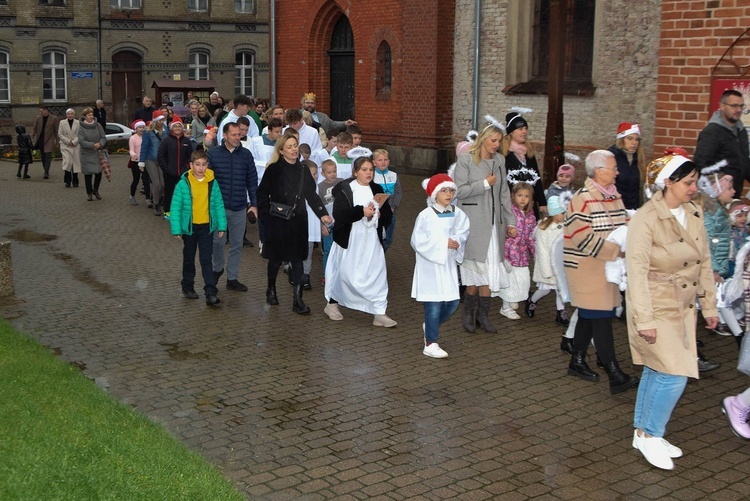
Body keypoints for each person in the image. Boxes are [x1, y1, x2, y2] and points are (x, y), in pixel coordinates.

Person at [627, 152, 718, 470]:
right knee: (675, 375)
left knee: (657, 369)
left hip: (684, 307)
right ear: (669, 182)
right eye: (688, 182)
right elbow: (635, 272)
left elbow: (703, 260)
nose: (694, 187)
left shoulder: (694, 211)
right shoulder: (646, 218)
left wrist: (709, 304)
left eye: (695, 181)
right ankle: (651, 434)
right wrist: (645, 319)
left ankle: (643, 434)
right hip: (656, 302)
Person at [563, 149, 639, 395]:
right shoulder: (581, 198)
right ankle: (614, 372)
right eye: (613, 168)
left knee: (589, 315)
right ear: (598, 171)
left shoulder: (614, 195)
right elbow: (581, 237)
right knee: (601, 317)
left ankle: (576, 360)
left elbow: (626, 223)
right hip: (585, 268)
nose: (617, 172)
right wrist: (617, 251)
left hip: (607, 268)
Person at [257, 134, 332, 313]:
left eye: (295, 145)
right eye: (289, 146)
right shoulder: (274, 170)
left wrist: (323, 214)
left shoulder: (303, 170)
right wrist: (266, 215)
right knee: (275, 259)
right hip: (277, 221)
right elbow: (261, 194)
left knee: (298, 259)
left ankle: (297, 300)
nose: (293, 149)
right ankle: (271, 289)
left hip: (298, 221)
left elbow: (312, 196)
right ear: (281, 150)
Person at [454, 120, 516, 334]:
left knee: (490, 273)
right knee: (474, 274)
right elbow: (459, 191)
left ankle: (483, 317)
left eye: (499, 141)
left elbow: (504, 193)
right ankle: (468, 314)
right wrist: (483, 184)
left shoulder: (499, 160)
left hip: (494, 227)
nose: (496, 145)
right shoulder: (466, 159)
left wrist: (511, 221)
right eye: (493, 140)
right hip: (473, 225)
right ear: (483, 139)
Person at [324, 156, 395, 326]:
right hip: (351, 239)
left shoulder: (377, 189)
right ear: (355, 172)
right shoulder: (345, 189)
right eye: (364, 170)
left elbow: (388, 216)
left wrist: (379, 214)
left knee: (377, 275)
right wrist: (361, 212)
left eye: (371, 169)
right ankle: (332, 303)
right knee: (346, 274)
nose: (368, 173)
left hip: (371, 240)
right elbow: (340, 215)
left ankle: (379, 312)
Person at [411, 174, 471, 358]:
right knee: (433, 304)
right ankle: (430, 343)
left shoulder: (457, 213)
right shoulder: (425, 215)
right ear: (435, 194)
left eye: (451, 190)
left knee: (452, 302)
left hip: (448, 265)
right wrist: (443, 242)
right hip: (430, 265)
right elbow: (417, 240)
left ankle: (431, 325)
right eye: (443, 190)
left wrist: (456, 241)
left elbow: (463, 231)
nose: (448, 194)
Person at [170, 150, 227, 306]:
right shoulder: (183, 183)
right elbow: (176, 207)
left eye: (203, 164)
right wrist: (176, 228)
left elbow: (218, 205)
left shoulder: (212, 183)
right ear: (191, 165)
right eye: (197, 165)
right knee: (189, 258)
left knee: (206, 260)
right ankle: (187, 286)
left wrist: (222, 225)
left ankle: (210, 292)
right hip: (190, 228)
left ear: (207, 165)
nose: (201, 168)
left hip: (206, 228)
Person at [208, 122, 258, 292]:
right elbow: (207, 182)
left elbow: (252, 182)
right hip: (218, 209)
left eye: (239, 135)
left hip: (239, 207)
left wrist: (254, 205)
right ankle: (217, 269)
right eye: (234, 135)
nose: (238, 138)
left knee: (237, 244)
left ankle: (232, 278)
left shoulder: (246, 155)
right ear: (224, 136)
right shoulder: (213, 154)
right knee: (217, 243)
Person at [695, 89, 750, 198]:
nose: (738, 110)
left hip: (733, 193)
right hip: (716, 197)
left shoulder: (740, 130)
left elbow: (744, 161)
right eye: (734, 106)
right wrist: (713, 190)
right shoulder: (712, 132)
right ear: (722, 106)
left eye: (741, 106)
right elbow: (700, 164)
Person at [526, 196, 568, 324]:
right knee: (545, 289)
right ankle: (532, 301)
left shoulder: (566, 226)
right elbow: (542, 251)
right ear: (555, 213)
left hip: (561, 265)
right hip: (548, 266)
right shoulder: (544, 230)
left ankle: (561, 313)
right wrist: (546, 270)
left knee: (561, 290)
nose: (565, 215)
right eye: (562, 212)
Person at [498, 182, 536, 320]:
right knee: (510, 281)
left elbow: (531, 237)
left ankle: (513, 299)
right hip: (509, 253)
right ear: (513, 196)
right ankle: (505, 307)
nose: (523, 199)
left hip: (523, 255)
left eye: (526, 196)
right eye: (520, 195)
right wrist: (508, 232)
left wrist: (535, 253)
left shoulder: (531, 216)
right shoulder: (510, 212)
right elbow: (501, 229)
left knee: (523, 280)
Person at [501, 111, 546, 216]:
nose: (524, 131)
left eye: (526, 128)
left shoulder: (528, 151)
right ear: (511, 132)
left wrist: (542, 202)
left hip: (529, 204)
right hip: (511, 203)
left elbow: (536, 178)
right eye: (520, 129)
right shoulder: (503, 153)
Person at [157, 116, 193, 220]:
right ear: (172, 128)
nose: (177, 128)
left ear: (182, 128)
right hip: (170, 172)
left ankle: (183, 211)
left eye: (179, 126)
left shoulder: (186, 141)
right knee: (169, 192)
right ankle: (167, 211)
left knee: (183, 193)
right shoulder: (166, 140)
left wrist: (187, 168)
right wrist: (166, 169)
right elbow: (161, 156)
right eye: (175, 126)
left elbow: (190, 157)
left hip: (183, 173)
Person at [608, 122, 644, 210]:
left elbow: (636, 189)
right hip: (613, 208)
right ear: (621, 139)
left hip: (632, 210)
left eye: (637, 139)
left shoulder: (637, 158)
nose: (634, 143)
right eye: (630, 138)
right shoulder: (611, 156)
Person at [318, 159, 343, 282]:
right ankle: (326, 275)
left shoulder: (342, 182)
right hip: (328, 223)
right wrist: (323, 225)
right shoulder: (320, 188)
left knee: (342, 249)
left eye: (334, 171)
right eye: (329, 172)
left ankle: (340, 274)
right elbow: (319, 208)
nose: (333, 174)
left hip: (341, 222)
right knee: (328, 250)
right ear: (323, 173)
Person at [373, 149, 402, 252]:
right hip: (377, 212)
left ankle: (380, 254)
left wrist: (393, 207)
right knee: (377, 237)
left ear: (389, 161)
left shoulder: (393, 175)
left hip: (390, 211)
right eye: (380, 160)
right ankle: (377, 259)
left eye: (385, 159)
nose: (383, 162)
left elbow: (398, 193)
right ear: (374, 162)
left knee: (388, 239)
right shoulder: (371, 176)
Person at [139, 110, 167, 215]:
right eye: (159, 120)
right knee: (156, 183)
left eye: (162, 120)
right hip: (150, 159)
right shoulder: (148, 132)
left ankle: (157, 197)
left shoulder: (166, 130)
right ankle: (156, 204)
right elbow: (144, 147)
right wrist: (141, 162)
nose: (161, 122)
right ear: (155, 120)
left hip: (162, 159)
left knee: (163, 184)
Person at [301, 160, 322, 290]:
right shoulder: (296, 186)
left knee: (308, 251)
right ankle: (293, 269)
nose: (314, 177)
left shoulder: (317, 187)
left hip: (311, 224)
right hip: (299, 224)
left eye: (316, 174)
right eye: (312, 174)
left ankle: (306, 275)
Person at [77, 107, 107, 202]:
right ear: (84, 116)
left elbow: (103, 137)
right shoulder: (81, 127)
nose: (91, 116)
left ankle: (96, 190)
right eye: (89, 115)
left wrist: (100, 144)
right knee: (88, 174)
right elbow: (81, 141)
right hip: (87, 153)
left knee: (98, 173)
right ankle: (89, 193)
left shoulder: (98, 125)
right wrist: (92, 145)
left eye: (92, 114)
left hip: (97, 152)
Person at [32, 106, 60, 179]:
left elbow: (56, 131)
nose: (41, 113)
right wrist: (31, 137)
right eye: (40, 112)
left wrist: (57, 142)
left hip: (49, 139)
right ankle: (45, 168)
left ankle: (46, 172)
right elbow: (35, 128)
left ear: (46, 110)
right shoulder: (38, 118)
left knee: (47, 155)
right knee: (43, 156)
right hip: (41, 139)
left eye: (41, 111)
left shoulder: (54, 118)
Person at [58, 108, 81, 188]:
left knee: (75, 163)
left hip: (75, 145)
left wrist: (74, 142)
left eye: (71, 114)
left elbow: (80, 134)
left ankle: (75, 181)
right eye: (68, 114)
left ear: (74, 115)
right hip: (65, 145)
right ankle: (67, 181)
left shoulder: (78, 123)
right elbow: (60, 134)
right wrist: (68, 141)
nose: (70, 115)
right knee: (67, 162)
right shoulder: (62, 122)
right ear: (66, 115)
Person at [128, 120, 146, 205]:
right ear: (136, 129)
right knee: (136, 180)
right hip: (136, 161)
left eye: (143, 127)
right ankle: (132, 196)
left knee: (146, 180)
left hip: (145, 161)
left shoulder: (146, 136)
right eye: (140, 127)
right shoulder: (133, 138)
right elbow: (131, 150)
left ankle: (148, 198)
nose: (141, 129)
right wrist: (133, 154)